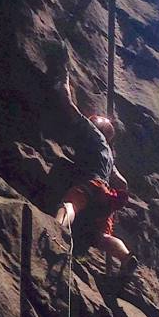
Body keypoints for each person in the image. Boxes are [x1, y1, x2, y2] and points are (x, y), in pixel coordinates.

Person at [55, 71, 138, 276]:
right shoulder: (110, 156)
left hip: (91, 184)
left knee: (70, 204)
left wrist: (63, 78)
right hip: (106, 196)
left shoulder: (94, 136)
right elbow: (122, 183)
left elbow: (69, 105)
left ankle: (55, 229)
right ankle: (125, 257)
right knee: (101, 237)